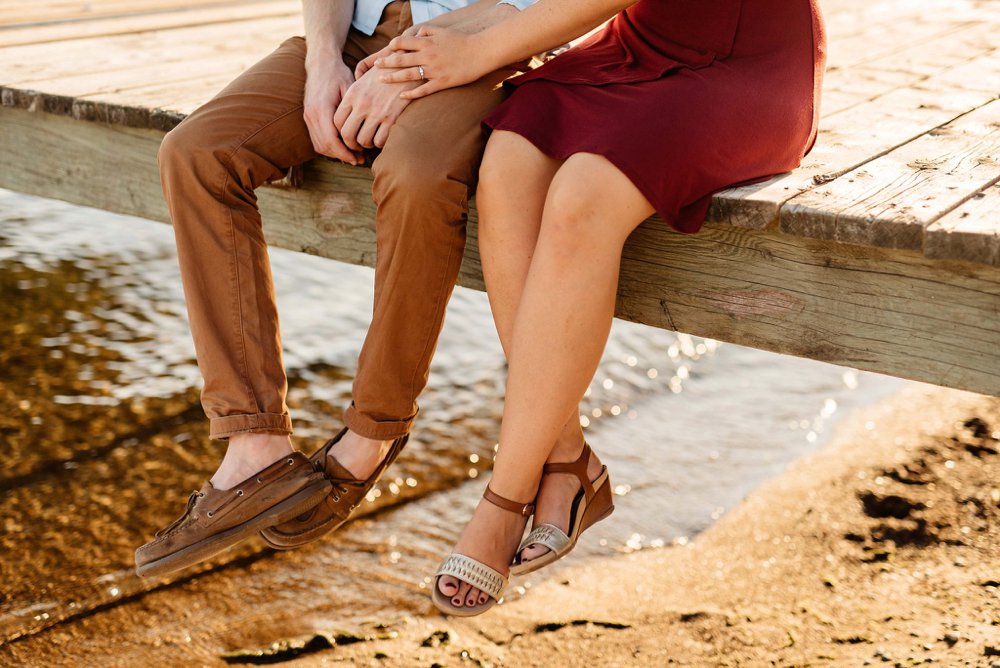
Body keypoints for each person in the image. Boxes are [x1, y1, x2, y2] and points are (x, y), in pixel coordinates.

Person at [374, 0, 826, 614]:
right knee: (507, 161)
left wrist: (481, 48)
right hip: (635, 44)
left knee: (582, 195)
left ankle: (504, 500)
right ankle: (566, 456)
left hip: (746, 62)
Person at [134, 0, 541, 578]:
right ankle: (254, 443)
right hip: (355, 34)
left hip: (485, 46)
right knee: (198, 154)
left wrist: (410, 66)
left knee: (415, 176)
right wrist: (322, 60)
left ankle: (375, 428)